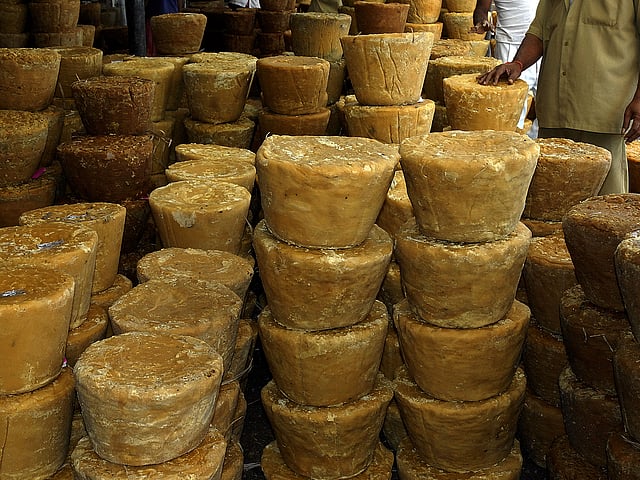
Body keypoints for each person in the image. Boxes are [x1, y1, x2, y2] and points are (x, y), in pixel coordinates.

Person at [478, 0, 640, 194]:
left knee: (604, 204)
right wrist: (518, 63)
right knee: (551, 199)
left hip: (603, 115)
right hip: (554, 111)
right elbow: (539, 31)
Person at [473, 0, 540, 136]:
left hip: (541, 45)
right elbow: (481, 9)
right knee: (511, 116)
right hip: (511, 47)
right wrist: (482, 21)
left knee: (546, 110)